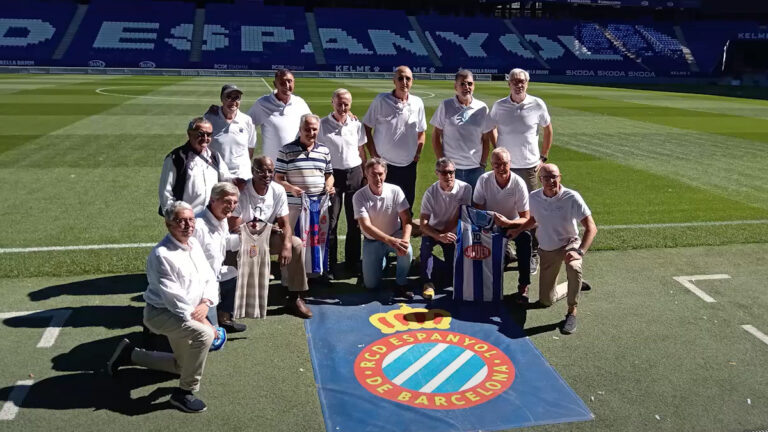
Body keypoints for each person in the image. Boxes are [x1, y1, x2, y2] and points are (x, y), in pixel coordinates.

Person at [107, 201, 218, 413]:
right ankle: (184, 393)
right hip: (162, 314)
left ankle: (130, 354)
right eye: (181, 221)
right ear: (168, 225)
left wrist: (206, 302)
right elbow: (174, 299)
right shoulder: (161, 255)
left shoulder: (194, 245)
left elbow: (209, 279)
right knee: (205, 335)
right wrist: (203, 320)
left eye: (191, 219)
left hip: (190, 312)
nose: (188, 225)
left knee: (182, 367)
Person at [487, 68, 553, 273]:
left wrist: (543, 157)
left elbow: (548, 129)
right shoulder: (499, 106)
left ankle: (533, 252)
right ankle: (506, 251)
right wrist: (497, 148)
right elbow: (491, 127)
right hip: (507, 168)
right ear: (509, 83)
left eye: (522, 81)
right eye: (515, 80)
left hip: (529, 167)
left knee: (532, 212)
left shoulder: (537, 104)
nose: (519, 84)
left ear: (527, 83)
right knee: (505, 209)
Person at [231, 156, 312, 319]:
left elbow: (285, 224)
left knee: (295, 244)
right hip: (243, 238)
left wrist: (287, 245)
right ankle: (233, 297)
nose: (266, 175)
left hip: (265, 236)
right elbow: (235, 227)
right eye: (261, 171)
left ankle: (295, 297)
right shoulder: (241, 191)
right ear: (252, 172)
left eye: (270, 171)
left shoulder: (278, 190)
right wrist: (266, 228)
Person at [523, 163, 597, 334]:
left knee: (574, 266)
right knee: (546, 301)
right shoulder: (533, 197)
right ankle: (574, 285)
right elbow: (532, 220)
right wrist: (516, 230)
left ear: (560, 177)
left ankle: (572, 311)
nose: (551, 181)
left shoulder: (572, 197)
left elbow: (591, 227)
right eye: (546, 177)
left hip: (570, 243)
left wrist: (579, 252)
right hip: (548, 249)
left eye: (554, 176)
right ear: (540, 180)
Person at [363, 66, 426, 214]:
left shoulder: (418, 103)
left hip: (408, 166)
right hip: (385, 165)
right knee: (383, 205)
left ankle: (404, 236)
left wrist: (417, 154)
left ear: (412, 81)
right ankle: (382, 236)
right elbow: (366, 127)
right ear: (394, 81)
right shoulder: (381, 100)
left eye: (408, 78)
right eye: (400, 78)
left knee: (406, 204)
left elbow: (422, 132)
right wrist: (373, 154)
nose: (404, 82)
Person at [317, 88, 366, 277]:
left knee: (355, 221)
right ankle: (329, 264)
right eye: (339, 103)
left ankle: (353, 263)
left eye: (346, 103)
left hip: (354, 173)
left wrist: (363, 174)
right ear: (332, 102)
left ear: (350, 104)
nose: (343, 107)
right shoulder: (322, 125)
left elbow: (361, 150)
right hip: (332, 176)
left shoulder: (356, 124)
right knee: (331, 221)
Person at [472, 148, 532, 300]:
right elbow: (477, 210)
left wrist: (509, 223)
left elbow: (525, 217)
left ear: (510, 164)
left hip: (512, 224)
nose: (501, 168)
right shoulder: (484, 180)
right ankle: (481, 282)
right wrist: (488, 224)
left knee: (525, 237)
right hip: (489, 224)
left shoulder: (518, 183)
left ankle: (523, 285)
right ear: (491, 165)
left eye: (504, 164)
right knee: (474, 239)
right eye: (497, 164)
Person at [353, 158, 414, 299]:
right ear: (366, 175)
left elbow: (407, 219)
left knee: (408, 250)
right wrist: (390, 241)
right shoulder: (359, 196)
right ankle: (382, 261)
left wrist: (404, 240)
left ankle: (401, 283)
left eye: (380, 174)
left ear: (385, 174)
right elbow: (366, 226)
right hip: (372, 241)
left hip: (395, 234)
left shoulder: (395, 190)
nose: (377, 178)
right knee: (371, 285)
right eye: (373, 174)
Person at [193, 182, 246, 333]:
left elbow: (226, 243)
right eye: (227, 201)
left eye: (235, 202)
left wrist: (245, 237)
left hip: (214, 277)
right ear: (213, 200)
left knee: (234, 273)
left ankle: (224, 317)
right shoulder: (198, 226)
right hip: (199, 286)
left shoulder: (222, 219)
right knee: (211, 336)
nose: (231, 206)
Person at [158, 117, 238, 214]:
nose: (205, 138)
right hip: (187, 219)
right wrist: (173, 216)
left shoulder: (215, 156)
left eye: (209, 135)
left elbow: (227, 180)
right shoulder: (176, 158)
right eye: (200, 134)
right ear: (189, 133)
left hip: (211, 217)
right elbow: (165, 192)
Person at [419, 158, 472, 300]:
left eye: (451, 172)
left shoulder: (465, 188)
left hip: (453, 232)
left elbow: (461, 214)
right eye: (444, 173)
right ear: (437, 173)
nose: (448, 176)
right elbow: (424, 223)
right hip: (433, 229)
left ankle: (427, 263)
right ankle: (427, 282)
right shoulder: (430, 193)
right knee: (425, 247)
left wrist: (446, 234)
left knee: (451, 276)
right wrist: (439, 235)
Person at [429, 69, 492, 189]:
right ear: (455, 87)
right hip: (451, 170)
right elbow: (436, 135)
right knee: (450, 205)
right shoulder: (446, 105)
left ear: (474, 85)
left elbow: (485, 139)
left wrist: (483, 163)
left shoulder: (482, 108)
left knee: (475, 205)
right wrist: (442, 162)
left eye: (469, 83)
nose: (466, 87)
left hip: (475, 170)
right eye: (462, 84)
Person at [274, 114, 334, 228]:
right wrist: (291, 188)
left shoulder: (324, 151)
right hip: (295, 205)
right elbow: (278, 178)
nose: (311, 133)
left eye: (314, 129)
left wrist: (328, 186)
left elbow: (329, 175)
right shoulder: (286, 150)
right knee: (295, 241)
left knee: (317, 241)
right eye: (307, 129)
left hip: (319, 204)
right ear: (300, 129)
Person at [247, 69, 311, 161]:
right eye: (282, 82)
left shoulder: (300, 102)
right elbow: (245, 124)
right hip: (273, 166)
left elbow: (313, 126)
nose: (287, 86)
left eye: (289, 81)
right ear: (275, 84)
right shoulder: (262, 104)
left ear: (294, 82)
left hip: (296, 165)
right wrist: (221, 111)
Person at [204, 84, 257, 179]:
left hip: (242, 178)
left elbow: (250, 148)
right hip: (216, 175)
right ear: (221, 99)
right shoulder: (209, 118)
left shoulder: (247, 120)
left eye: (237, 98)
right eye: (228, 97)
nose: (233, 101)